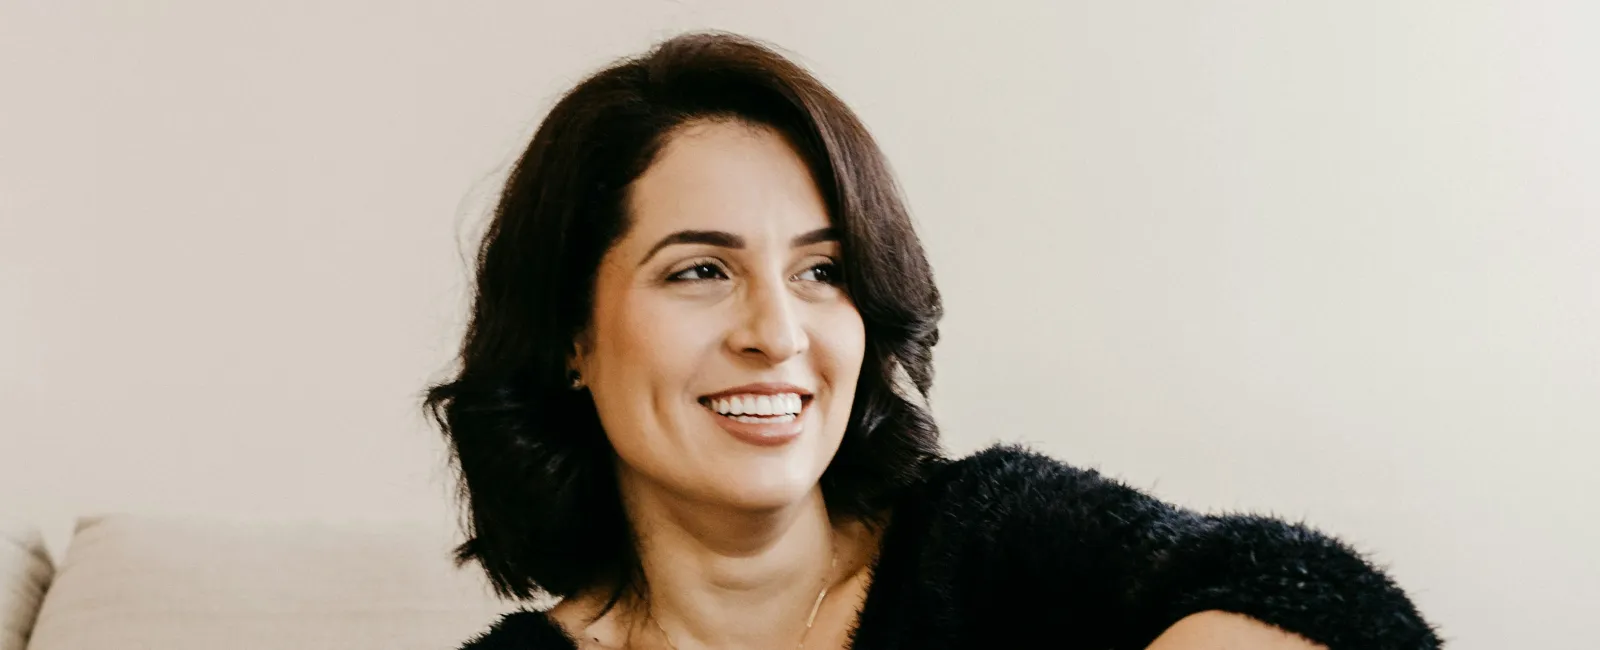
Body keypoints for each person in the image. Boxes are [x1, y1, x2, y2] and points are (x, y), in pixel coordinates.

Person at [425, 32, 1440, 650]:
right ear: (571, 335)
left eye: (822, 271)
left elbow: (1334, 604)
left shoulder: (993, 540)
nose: (776, 332)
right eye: (701, 269)